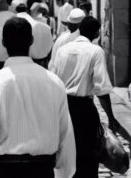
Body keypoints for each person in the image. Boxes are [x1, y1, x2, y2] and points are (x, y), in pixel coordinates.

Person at [0, 17, 75, 178]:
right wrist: (64, 173)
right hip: (43, 169)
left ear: (3, 42)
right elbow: (66, 136)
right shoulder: (55, 83)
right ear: (31, 41)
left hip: (6, 170)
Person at [51, 16, 119, 178]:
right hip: (84, 110)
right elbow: (101, 89)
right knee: (88, 153)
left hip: (63, 107)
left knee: (65, 152)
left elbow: (53, 79)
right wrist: (111, 117)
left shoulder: (62, 50)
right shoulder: (96, 51)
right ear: (96, 33)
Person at [16, 0, 53, 68]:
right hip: (44, 62)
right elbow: (50, 46)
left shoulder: (23, 25)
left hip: (28, 63)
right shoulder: (47, 23)